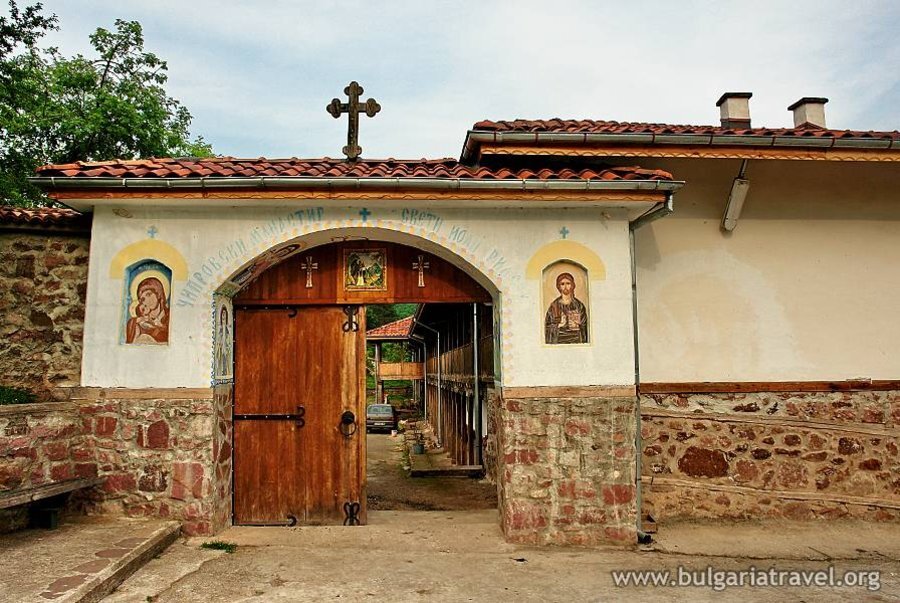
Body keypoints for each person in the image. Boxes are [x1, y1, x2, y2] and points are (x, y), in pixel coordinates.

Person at [545, 272, 588, 344]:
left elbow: (585, 326)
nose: (565, 286)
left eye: (568, 283)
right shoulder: (554, 306)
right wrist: (559, 325)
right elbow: (547, 327)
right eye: (562, 284)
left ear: (572, 285)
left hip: (576, 341)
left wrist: (579, 324)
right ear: (558, 286)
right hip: (559, 342)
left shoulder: (579, 305)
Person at [126, 276, 169, 344]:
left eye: (148, 294)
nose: (146, 300)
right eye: (142, 299)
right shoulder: (139, 323)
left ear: (158, 294)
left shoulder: (169, 317)